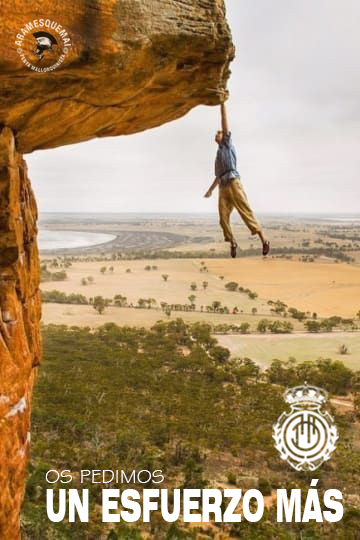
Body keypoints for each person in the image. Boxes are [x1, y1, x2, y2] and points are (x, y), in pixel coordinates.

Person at [204, 100, 270, 258]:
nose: (216, 135)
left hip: (233, 182)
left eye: (218, 133)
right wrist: (210, 190)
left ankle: (264, 240)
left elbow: (224, 121)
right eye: (216, 134)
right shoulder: (217, 156)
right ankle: (233, 242)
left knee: (245, 211)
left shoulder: (227, 144)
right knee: (222, 218)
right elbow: (218, 176)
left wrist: (221, 104)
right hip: (223, 187)